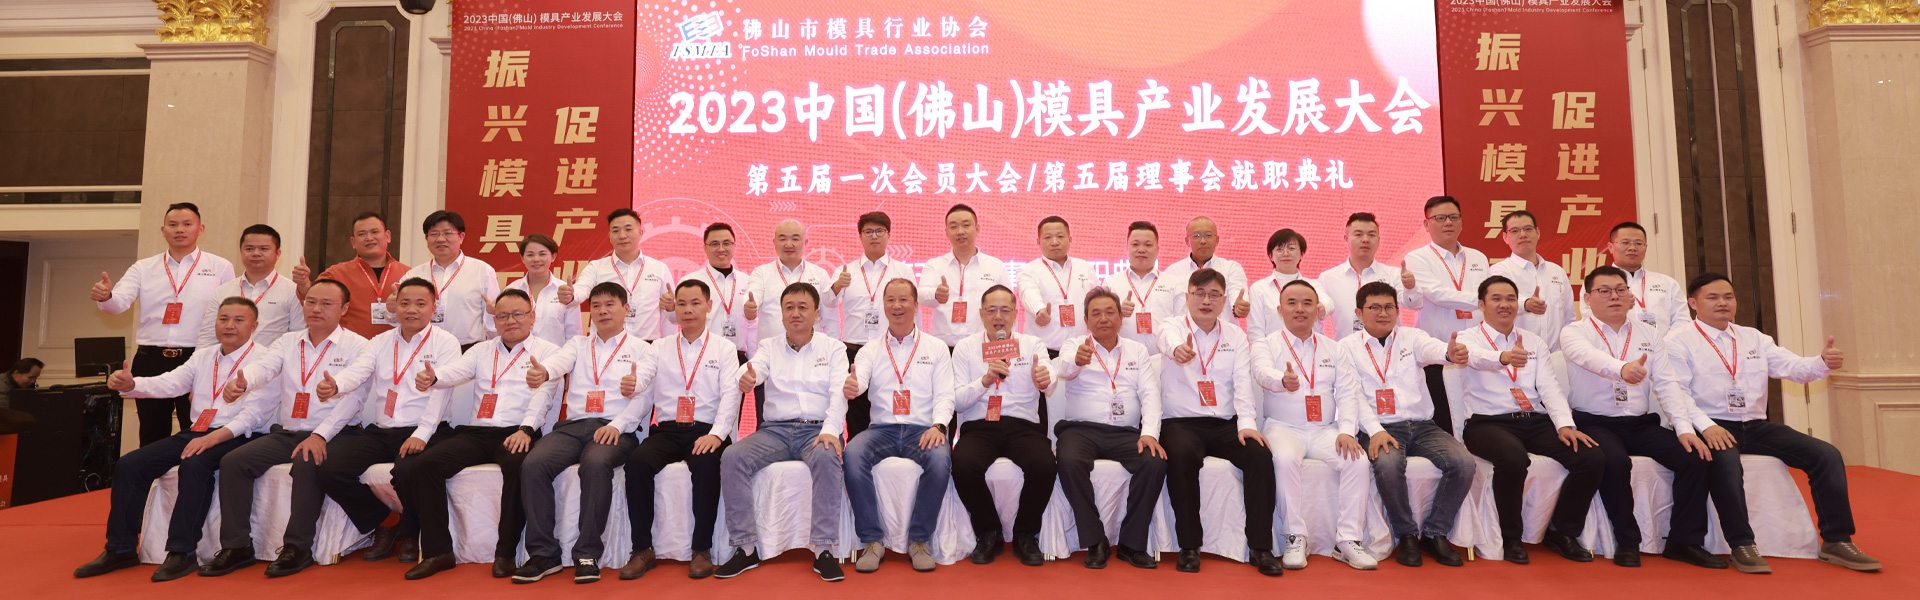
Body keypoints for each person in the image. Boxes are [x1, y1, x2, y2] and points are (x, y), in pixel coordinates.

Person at [1666, 272, 1879, 572]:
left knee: (1826, 455)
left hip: (1755, 425)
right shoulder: (1677, 341)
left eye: (1728, 297)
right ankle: (1742, 544)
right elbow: (1676, 393)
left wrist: (1821, 362)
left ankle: (1837, 540)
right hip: (1712, 425)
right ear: (1693, 303)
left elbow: (1791, 366)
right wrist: (1706, 426)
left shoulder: (1753, 337)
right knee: (1727, 465)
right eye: (1712, 297)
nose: (1722, 303)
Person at [75, 298, 266, 581]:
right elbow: (171, 381)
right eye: (223, 319)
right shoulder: (204, 355)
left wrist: (214, 438)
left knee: (194, 463)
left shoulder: (265, 360)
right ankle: (121, 548)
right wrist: (133, 384)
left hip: (239, 434)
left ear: (254, 325)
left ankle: (181, 551)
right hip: (198, 430)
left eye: (239, 320)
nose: (229, 325)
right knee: (130, 464)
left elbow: (256, 414)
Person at [1556, 266, 1727, 570]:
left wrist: (1684, 429)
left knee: (1695, 458)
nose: (1614, 296)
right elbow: (1588, 357)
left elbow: (1667, 383)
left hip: (1639, 423)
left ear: (1630, 296)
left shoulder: (1649, 334)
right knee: (1615, 462)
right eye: (1604, 291)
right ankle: (1627, 540)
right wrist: (1621, 369)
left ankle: (1684, 541)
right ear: (1588, 298)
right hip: (1595, 422)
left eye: (1620, 290)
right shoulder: (1574, 332)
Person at [205, 279, 369, 577]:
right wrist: (244, 381)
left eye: (326, 303)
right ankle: (237, 546)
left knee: (307, 460)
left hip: (339, 432)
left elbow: (353, 400)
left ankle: (297, 547)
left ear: (344, 308)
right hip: (290, 432)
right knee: (234, 461)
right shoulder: (287, 341)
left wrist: (320, 435)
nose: (316, 308)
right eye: (311, 302)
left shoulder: (359, 346)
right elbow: (264, 367)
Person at [402, 289, 563, 580]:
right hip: (477, 432)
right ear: (494, 320)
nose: (510, 321)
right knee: (425, 464)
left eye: (518, 314)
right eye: (502, 316)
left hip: (518, 431)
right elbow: (456, 371)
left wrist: (527, 429)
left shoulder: (548, 352)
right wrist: (435, 377)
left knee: (518, 465)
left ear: (532, 317)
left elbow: (543, 396)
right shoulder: (481, 350)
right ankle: (439, 552)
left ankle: (505, 553)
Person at [309, 278, 463, 566]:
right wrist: (337, 385)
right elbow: (358, 373)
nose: (411, 310)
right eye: (404, 303)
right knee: (331, 471)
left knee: (408, 469)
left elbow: (441, 392)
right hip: (382, 431)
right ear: (395, 307)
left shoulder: (446, 342)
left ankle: (411, 534)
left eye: (420, 304)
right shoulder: (379, 342)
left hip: (427, 430)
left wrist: (422, 434)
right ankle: (386, 522)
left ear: (434, 308)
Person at [1457, 275, 1602, 564]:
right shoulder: (1466, 338)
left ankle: (1562, 531)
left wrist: (1565, 425)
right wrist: (1503, 357)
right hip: (1487, 423)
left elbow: (1549, 387)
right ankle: (1511, 537)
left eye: (1510, 298)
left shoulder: (1534, 341)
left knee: (1591, 457)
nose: (1505, 304)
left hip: (1534, 421)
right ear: (1481, 305)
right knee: (1513, 459)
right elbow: (1475, 358)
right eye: (1496, 299)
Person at [513, 282, 650, 583]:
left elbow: (644, 398)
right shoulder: (577, 344)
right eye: (596, 306)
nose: (602, 311)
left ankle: (587, 553)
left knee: (595, 464)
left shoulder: (642, 349)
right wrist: (544, 371)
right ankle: (543, 554)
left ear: (626, 309)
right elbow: (558, 363)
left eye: (610, 304)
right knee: (533, 464)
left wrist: (617, 424)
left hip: (615, 427)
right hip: (573, 427)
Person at [717, 282, 850, 582]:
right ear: (781, 314)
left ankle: (823, 551)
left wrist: (832, 431)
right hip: (775, 432)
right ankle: (746, 549)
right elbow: (754, 370)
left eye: (803, 307)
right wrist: (745, 377)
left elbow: (839, 394)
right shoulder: (768, 347)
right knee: (732, 456)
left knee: (827, 457)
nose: (795, 313)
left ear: (817, 313)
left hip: (817, 430)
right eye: (789, 307)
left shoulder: (834, 348)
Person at [1155, 268, 1282, 576]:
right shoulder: (1172, 326)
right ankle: (1189, 546)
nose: (1206, 301)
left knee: (1259, 455)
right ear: (1187, 297)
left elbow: (1242, 384)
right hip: (1181, 423)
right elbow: (1167, 340)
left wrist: (1247, 425)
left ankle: (1261, 547)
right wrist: (1177, 349)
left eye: (1214, 295)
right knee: (1181, 456)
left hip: (1225, 423)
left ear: (1224, 300)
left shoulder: (1235, 335)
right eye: (1199, 294)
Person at [1344, 282, 1474, 567]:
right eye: (1374, 307)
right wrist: (1376, 431)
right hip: (1380, 428)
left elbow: (1433, 350)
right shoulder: (1346, 348)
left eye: (1389, 307)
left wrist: (1449, 354)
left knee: (1463, 463)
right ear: (1359, 313)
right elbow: (1353, 396)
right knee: (1389, 465)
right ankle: (1406, 535)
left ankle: (1435, 533)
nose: (1383, 313)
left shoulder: (1412, 337)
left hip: (1423, 425)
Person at [619, 279, 742, 580]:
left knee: (708, 464)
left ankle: (701, 549)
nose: (688, 310)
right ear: (674, 308)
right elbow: (644, 375)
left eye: (695, 303)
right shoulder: (660, 346)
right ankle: (642, 549)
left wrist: (717, 434)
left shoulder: (725, 348)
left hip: (706, 429)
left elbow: (731, 394)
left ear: (708, 306)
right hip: (667, 430)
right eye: (681, 304)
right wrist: (634, 384)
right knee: (636, 463)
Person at [1251, 280, 1374, 570]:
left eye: (1307, 303)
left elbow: (1348, 393)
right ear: (1279, 310)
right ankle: (1295, 536)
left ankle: (1348, 540)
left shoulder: (1334, 348)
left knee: (1357, 461)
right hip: (1282, 427)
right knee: (1283, 459)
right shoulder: (1265, 344)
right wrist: (1281, 380)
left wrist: (1346, 431)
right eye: (1292, 303)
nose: (1300, 309)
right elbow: (1261, 371)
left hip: (1324, 430)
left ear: (1318, 309)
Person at [94, 202, 236, 446]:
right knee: (152, 434)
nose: (179, 229)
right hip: (151, 359)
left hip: (198, 358)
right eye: (173, 224)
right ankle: (153, 472)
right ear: (163, 230)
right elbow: (118, 304)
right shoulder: (143, 267)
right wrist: (106, 297)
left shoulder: (220, 267)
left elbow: (231, 312)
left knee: (197, 431)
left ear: (200, 229)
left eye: (187, 224)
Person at [840, 278, 955, 574]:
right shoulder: (869, 350)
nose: (897, 306)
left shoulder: (937, 348)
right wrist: (853, 386)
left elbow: (945, 394)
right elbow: (860, 379)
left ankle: (919, 541)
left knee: (940, 460)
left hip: (923, 429)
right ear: (884, 305)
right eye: (890, 300)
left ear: (916, 305)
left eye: (903, 299)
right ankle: (872, 541)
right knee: (852, 454)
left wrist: (939, 426)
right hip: (881, 430)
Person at [1053, 287, 1164, 570]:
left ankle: (1131, 543)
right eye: (1096, 314)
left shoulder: (1137, 350)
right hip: (1081, 431)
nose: (1103, 318)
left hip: (1125, 433)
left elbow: (1150, 394)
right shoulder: (1074, 345)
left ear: (1120, 318)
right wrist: (1077, 361)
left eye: (1109, 312)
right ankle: (1095, 541)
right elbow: (1062, 369)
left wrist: (1149, 433)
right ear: (1086, 320)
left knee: (1154, 461)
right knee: (1068, 460)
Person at [949, 284, 1057, 566]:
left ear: (1016, 313)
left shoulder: (1032, 344)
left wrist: (1046, 379)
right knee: (963, 464)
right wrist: (984, 381)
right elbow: (957, 401)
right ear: (981, 314)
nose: (999, 317)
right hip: (979, 425)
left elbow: (1049, 376)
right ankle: (989, 532)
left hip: (1022, 426)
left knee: (1044, 464)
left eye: (1005, 310)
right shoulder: (965, 348)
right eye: (992, 310)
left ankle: (1025, 535)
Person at [1402, 196, 1488, 434]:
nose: (1448, 222)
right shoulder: (1417, 258)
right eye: (1440, 218)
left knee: (1478, 417)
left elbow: (1488, 294)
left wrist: (1489, 300)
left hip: (1477, 352)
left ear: (1461, 222)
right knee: (1444, 423)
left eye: (1453, 217)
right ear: (1426, 224)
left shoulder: (1478, 257)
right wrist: (1485, 300)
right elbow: (1438, 294)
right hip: (1437, 354)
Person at [743, 220, 838, 429]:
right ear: (774, 242)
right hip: (772, 362)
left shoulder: (819, 274)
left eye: (795, 239)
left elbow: (830, 319)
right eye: (783, 238)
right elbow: (752, 296)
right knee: (767, 423)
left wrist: (834, 354)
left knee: (816, 419)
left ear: (806, 242)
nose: (789, 244)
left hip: (812, 359)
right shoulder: (761, 273)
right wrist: (749, 307)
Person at [831, 212, 916, 438]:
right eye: (868, 231)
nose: (874, 236)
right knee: (856, 414)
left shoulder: (902, 271)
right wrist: (837, 286)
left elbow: (911, 310)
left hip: (890, 350)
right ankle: (857, 453)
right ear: (860, 236)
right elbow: (828, 303)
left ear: (889, 235)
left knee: (888, 407)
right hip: (853, 351)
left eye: (880, 231)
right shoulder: (845, 271)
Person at [294, 212, 407, 339]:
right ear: (353, 242)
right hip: (352, 348)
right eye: (362, 234)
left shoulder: (408, 274)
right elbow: (312, 297)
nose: (369, 238)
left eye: (374, 232)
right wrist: (303, 283)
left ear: (387, 236)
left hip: (398, 346)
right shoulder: (337, 273)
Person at [572, 208, 675, 341]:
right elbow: (581, 290)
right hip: (606, 345)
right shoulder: (596, 267)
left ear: (640, 233)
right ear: (609, 236)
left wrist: (668, 345)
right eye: (616, 231)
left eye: (628, 229)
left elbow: (670, 317)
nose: (622, 235)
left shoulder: (659, 269)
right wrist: (571, 296)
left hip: (647, 345)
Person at [402, 211, 499, 350]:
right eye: (434, 234)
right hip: (423, 349)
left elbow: (494, 318)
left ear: (461, 237)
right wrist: (391, 309)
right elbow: (399, 318)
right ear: (426, 239)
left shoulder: (482, 271)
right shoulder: (414, 275)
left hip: (468, 350)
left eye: (448, 233)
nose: (441, 239)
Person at [919, 204, 1012, 348]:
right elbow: (920, 296)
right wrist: (936, 294)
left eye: (966, 225)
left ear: (977, 229)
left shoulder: (995, 265)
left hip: (983, 346)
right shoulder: (935, 265)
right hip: (944, 348)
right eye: (953, 227)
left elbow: (1009, 305)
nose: (960, 231)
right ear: (946, 232)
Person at [1318, 213, 1421, 338]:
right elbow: (1318, 314)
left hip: (1388, 347)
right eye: (1358, 234)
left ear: (1379, 239)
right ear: (1346, 238)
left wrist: (1410, 288)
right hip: (1346, 347)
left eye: (1371, 235)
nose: (1365, 239)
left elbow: (1413, 304)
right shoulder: (1328, 278)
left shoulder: (1393, 274)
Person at [1489, 211, 1575, 351]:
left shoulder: (1557, 271)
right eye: (1515, 231)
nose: (1522, 235)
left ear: (1538, 232)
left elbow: (1569, 318)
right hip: (1516, 355)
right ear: (1505, 237)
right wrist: (1526, 304)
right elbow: (1498, 305)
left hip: (1557, 356)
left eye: (1528, 229)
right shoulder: (1499, 271)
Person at [200, 224, 299, 345]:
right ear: (241, 251)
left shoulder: (292, 291)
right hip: (228, 357)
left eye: (264, 249)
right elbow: (208, 336)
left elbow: (297, 335)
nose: (256, 253)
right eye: (249, 249)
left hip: (271, 357)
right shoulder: (222, 291)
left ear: (277, 253)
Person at [1017, 216, 1100, 357]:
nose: (1055, 242)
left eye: (1060, 236)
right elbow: (1029, 293)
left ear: (1070, 239)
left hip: (1081, 351)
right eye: (1048, 237)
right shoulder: (1028, 270)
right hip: (1044, 353)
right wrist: (1039, 310)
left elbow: (1097, 302)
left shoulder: (1085, 268)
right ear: (1038, 242)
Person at [680, 223, 755, 361]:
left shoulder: (747, 281)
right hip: (701, 356)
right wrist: (668, 308)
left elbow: (752, 327)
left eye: (726, 243)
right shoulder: (690, 282)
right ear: (705, 248)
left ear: (734, 246)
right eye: (715, 244)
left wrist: (754, 361)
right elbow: (678, 318)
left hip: (737, 357)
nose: (721, 249)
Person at [1159, 217, 1252, 324]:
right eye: (1197, 236)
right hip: (1184, 333)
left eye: (1208, 235)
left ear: (1217, 240)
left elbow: (1237, 294)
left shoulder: (1231, 268)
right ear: (1187, 241)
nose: (1203, 241)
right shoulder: (1172, 272)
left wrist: (1239, 308)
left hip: (1223, 333)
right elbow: (1165, 311)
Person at [1246, 228, 1334, 341]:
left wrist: (1321, 307)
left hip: (1312, 348)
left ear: (1301, 254)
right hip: (1275, 350)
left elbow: (1329, 303)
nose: (1286, 253)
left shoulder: (1312, 285)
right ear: (1271, 255)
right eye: (1280, 249)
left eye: (1291, 248)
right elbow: (1255, 330)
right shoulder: (1259, 288)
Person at [1103, 221, 1176, 354]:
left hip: (1163, 359)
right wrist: (1118, 313)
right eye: (1135, 244)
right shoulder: (1111, 283)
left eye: (1148, 245)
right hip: (1122, 358)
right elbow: (1100, 324)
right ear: (1126, 248)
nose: (1141, 249)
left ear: (1158, 249)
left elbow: (1182, 324)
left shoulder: (1173, 284)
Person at [1607, 222, 1690, 337]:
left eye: (1638, 243)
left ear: (1645, 248)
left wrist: (1663, 344)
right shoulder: (1597, 284)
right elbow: (1593, 321)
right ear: (1610, 247)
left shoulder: (1667, 283)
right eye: (1625, 242)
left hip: (1665, 346)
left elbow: (1682, 320)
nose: (1632, 248)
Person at [505, 234, 581, 346]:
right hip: (519, 354)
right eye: (530, 255)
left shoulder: (565, 291)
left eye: (542, 254)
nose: (536, 259)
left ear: (553, 257)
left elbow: (574, 335)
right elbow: (502, 330)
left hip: (556, 356)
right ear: (522, 258)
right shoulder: (511, 290)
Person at [0, 358, 41, 434]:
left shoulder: (15, 384)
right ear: (16, 373)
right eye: (31, 377)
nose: (33, 381)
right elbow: (5, 414)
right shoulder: (2, 387)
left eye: (36, 378)